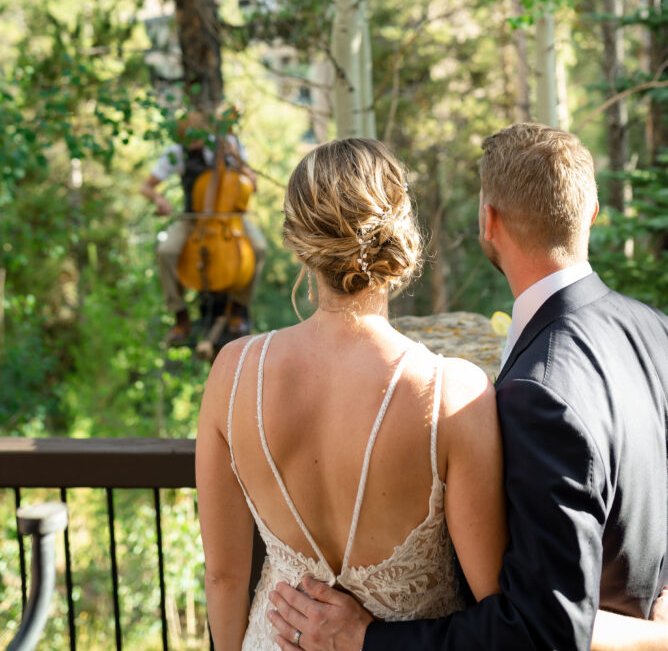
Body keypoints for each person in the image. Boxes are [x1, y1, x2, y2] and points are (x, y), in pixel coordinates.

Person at [268, 123, 668, 651]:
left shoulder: (541, 392)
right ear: (591, 214)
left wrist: (364, 640)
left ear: (488, 221)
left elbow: (540, 631)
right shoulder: (653, 328)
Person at [196, 138, 508, 650]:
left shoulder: (232, 373)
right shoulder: (452, 393)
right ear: (398, 232)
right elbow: (495, 602)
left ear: (298, 242)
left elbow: (224, 578)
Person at [140, 108, 267, 344]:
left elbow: (254, 184)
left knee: (258, 248)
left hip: (230, 218)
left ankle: (239, 307)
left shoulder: (228, 143)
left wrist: (237, 161)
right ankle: (180, 314)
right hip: (194, 220)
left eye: (196, 138)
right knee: (166, 252)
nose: (192, 145)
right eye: (187, 140)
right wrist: (159, 199)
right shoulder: (175, 153)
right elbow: (146, 187)